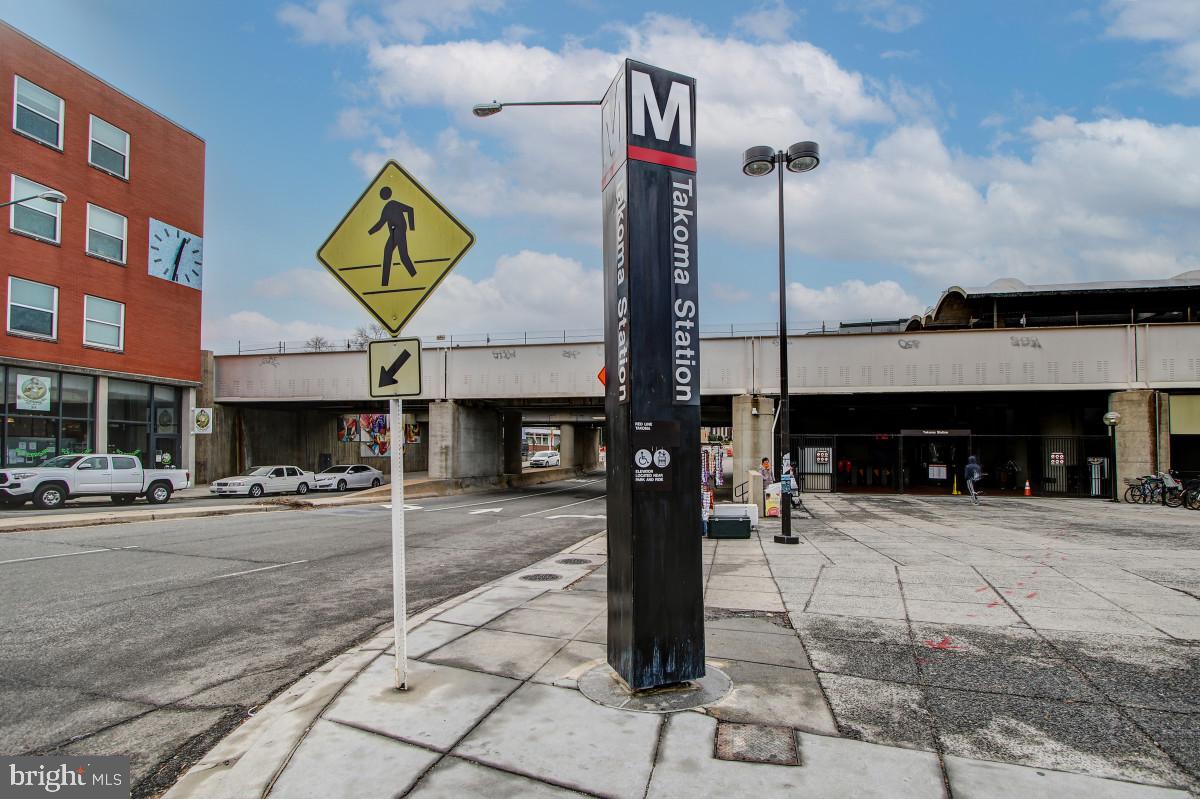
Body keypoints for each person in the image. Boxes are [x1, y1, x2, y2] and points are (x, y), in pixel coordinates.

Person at [367, 186, 417, 286]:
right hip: (394, 233)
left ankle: (414, 276)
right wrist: (369, 232)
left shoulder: (392, 204)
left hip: (399, 231)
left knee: (403, 256)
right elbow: (380, 225)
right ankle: (385, 283)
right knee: (388, 253)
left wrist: (412, 227)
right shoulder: (386, 209)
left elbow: (410, 210)